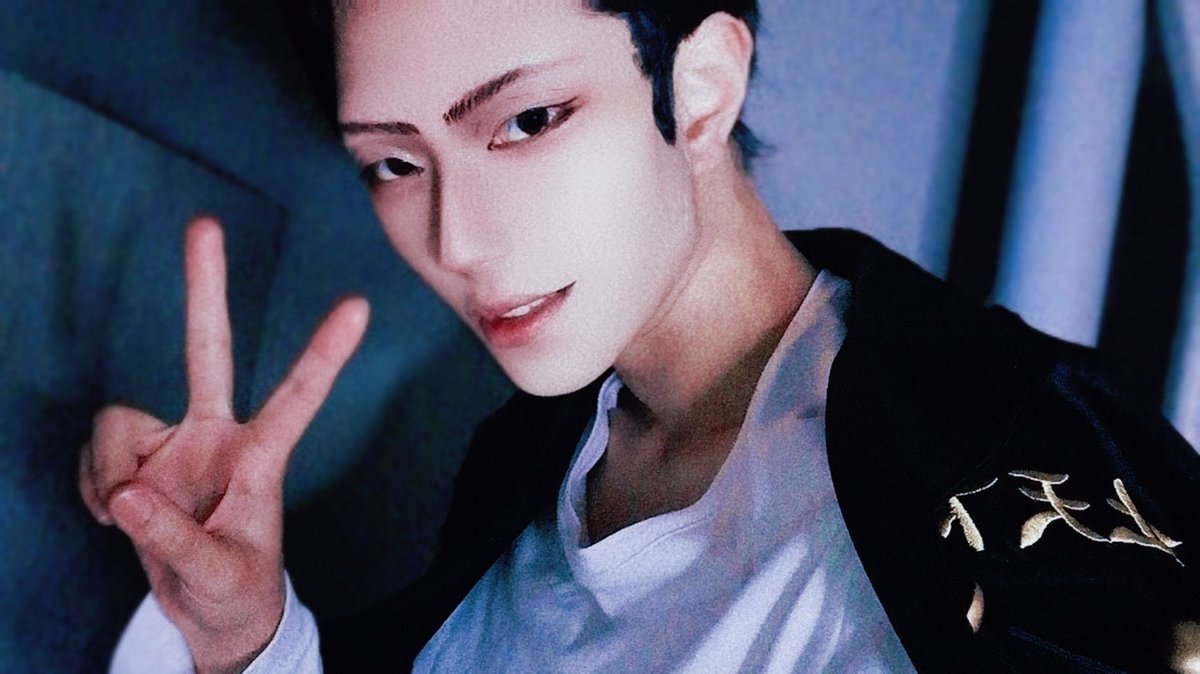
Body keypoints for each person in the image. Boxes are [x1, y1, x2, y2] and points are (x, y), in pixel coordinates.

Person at [80, 1, 1200, 672]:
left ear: (700, 88)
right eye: (394, 161)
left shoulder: (1000, 460)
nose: (456, 239)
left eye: (526, 121)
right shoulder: (519, 470)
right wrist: (245, 633)